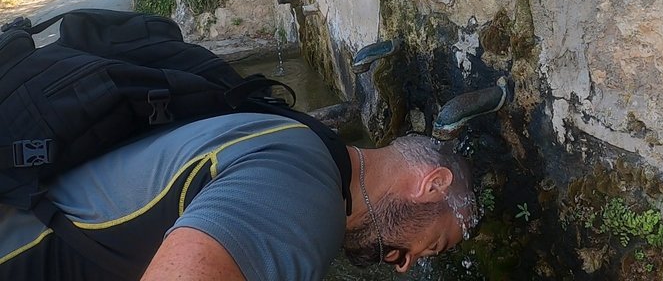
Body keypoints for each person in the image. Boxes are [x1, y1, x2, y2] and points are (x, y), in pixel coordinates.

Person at [0, 111, 476, 280]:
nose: (407, 263)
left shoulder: (303, 139)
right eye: (432, 243)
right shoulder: (307, 198)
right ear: (431, 185)